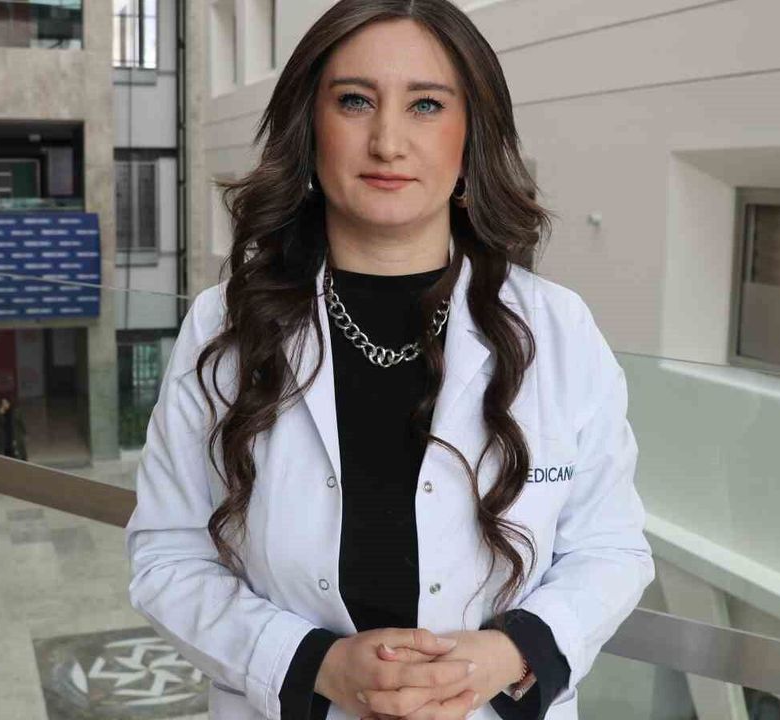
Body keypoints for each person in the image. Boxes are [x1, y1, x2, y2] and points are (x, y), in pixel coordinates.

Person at [124, 1, 653, 718]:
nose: (388, 142)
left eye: (426, 104)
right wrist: (314, 664)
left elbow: (612, 549)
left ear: (471, 135)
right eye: (355, 101)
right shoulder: (224, 327)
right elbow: (167, 556)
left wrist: (507, 654)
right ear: (310, 127)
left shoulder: (558, 329)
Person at [0, 396, 27, 460]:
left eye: (5, 403)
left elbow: (21, 424)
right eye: (3, 404)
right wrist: (0, 414)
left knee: (18, 455)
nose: (4, 405)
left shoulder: (15, 412)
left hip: (14, 437)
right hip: (5, 439)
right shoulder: (1, 413)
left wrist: (24, 434)